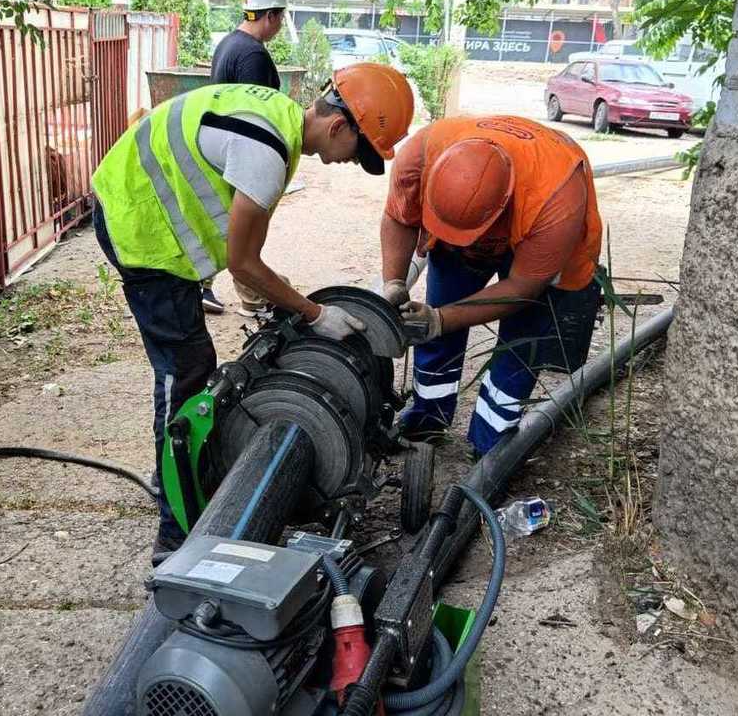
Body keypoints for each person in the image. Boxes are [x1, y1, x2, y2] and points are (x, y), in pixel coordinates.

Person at [92, 63, 414, 560]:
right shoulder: (267, 151)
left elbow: (248, 257)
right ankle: (175, 532)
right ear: (338, 126)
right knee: (185, 371)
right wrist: (312, 314)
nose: (352, 163)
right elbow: (244, 264)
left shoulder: (278, 122)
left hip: (149, 216)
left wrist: (285, 297)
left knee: (194, 363)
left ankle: (174, 472)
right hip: (137, 225)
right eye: (359, 153)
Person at [380, 115, 603, 459]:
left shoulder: (557, 199)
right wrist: (394, 283)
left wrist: (441, 318)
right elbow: (399, 216)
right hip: (472, 220)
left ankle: (492, 442)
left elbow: (522, 288)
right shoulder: (421, 153)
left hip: (535, 242)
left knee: (519, 346)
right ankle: (428, 416)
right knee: (436, 325)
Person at [199, 0, 289, 315]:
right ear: (270, 16)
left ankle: (204, 286)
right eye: (280, 19)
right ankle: (253, 298)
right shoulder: (253, 53)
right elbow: (256, 114)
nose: (279, 27)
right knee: (244, 232)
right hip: (241, 152)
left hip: (223, 146)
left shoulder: (228, 44)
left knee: (225, 223)